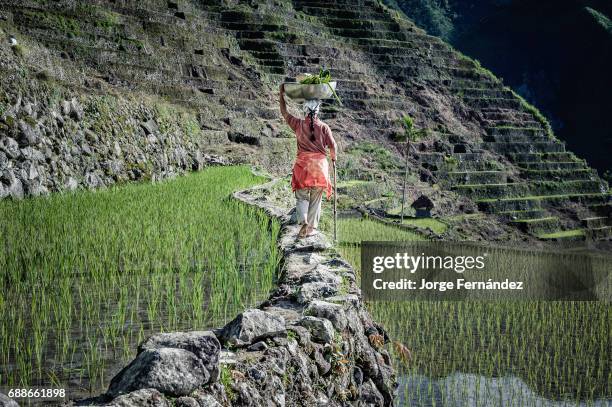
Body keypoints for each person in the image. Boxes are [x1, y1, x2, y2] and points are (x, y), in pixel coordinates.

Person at [280, 83, 337, 238]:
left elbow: (284, 112)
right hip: (320, 169)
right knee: (316, 199)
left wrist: (281, 94)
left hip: (303, 168)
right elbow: (333, 146)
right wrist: (333, 157)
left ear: (304, 110)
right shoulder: (324, 127)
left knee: (302, 197)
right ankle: (311, 229)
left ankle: (304, 221)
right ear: (318, 110)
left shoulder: (298, 124)